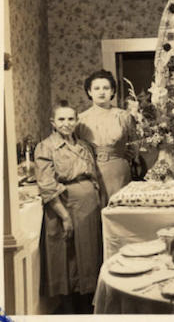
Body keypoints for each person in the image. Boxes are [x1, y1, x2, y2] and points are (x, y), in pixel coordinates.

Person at [35, 100, 102, 313]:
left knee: (89, 255)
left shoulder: (84, 145)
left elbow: (94, 176)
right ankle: (69, 311)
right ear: (53, 123)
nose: (67, 123)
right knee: (67, 257)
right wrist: (64, 216)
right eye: (61, 119)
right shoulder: (45, 147)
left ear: (77, 120)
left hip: (89, 207)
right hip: (65, 205)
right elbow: (47, 185)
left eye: (71, 119)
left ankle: (88, 308)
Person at [76, 70, 138, 205]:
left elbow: (134, 146)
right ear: (89, 92)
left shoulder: (124, 117)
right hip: (90, 172)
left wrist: (121, 158)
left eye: (106, 88)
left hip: (118, 171)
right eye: (96, 88)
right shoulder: (80, 120)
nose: (101, 92)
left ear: (112, 91)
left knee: (119, 209)